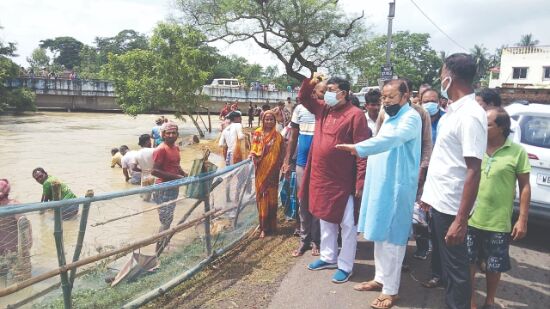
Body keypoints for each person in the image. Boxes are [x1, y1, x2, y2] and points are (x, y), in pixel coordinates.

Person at [336, 79, 422, 309]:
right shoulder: (392, 118)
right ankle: (380, 279)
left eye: (391, 97)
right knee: (380, 235)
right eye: (384, 97)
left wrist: (359, 148)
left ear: (405, 96)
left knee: (393, 238)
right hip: (382, 185)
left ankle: (390, 291)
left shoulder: (410, 118)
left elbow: (390, 140)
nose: (386, 102)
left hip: (397, 186)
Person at [420, 53, 488, 309]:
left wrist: (460, 220)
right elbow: (445, 161)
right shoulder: (452, 111)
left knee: (457, 274)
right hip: (441, 202)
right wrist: (429, 196)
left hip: (452, 208)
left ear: (449, 78)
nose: (439, 79)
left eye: (441, 74)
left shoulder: (470, 115)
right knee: (449, 271)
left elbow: (473, 170)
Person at [299, 74, 370, 284]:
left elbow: (361, 150)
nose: (328, 94)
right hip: (321, 177)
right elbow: (304, 98)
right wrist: (311, 82)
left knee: (347, 223)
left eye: (333, 90)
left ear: (345, 93)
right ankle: (328, 257)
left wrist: (360, 181)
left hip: (343, 180)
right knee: (325, 218)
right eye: (326, 90)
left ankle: (346, 265)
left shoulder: (356, 115)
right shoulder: (323, 109)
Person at [467, 107, 531, 309]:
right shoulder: (475, 147)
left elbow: (525, 186)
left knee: (494, 265)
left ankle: (490, 299)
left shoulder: (517, 152)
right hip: (470, 217)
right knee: (468, 261)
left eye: (488, 124)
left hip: (498, 221)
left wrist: (522, 219)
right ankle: (471, 300)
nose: (483, 128)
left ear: (502, 127)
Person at [282, 81, 327, 257]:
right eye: (317, 91)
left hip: (321, 164)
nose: (318, 94)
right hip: (301, 162)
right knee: (303, 201)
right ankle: (304, 239)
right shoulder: (299, 109)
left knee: (318, 202)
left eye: (322, 92)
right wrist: (287, 161)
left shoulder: (327, 109)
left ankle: (317, 240)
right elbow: (293, 138)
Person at [249, 111, 284, 238]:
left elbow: (282, 152)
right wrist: (254, 155)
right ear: (262, 120)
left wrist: (282, 166)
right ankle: (263, 227)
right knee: (262, 197)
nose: (269, 122)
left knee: (273, 198)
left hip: (274, 172)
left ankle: (273, 225)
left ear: (275, 121)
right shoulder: (258, 133)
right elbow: (254, 148)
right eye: (266, 119)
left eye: (271, 119)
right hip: (262, 172)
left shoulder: (278, 135)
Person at [151, 122, 188, 236]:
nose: (171, 135)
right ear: (163, 135)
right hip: (163, 188)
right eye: (168, 133)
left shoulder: (176, 147)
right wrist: (177, 177)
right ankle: (159, 248)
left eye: (174, 133)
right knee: (166, 220)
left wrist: (184, 173)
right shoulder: (161, 149)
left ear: (177, 134)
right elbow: (154, 171)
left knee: (169, 218)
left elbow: (175, 165)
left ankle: (162, 244)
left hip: (173, 186)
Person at [0, 179, 32, 281]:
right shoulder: (14, 205)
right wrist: (28, 245)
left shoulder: (13, 205)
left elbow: (24, 225)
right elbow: (25, 225)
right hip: (15, 250)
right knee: (21, 279)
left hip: (12, 251)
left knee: (6, 277)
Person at [136, 134, 155, 201]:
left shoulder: (137, 153)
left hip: (144, 176)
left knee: (145, 199)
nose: (151, 142)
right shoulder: (154, 150)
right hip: (154, 176)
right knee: (156, 198)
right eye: (150, 140)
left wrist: (142, 170)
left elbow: (133, 167)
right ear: (147, 141)